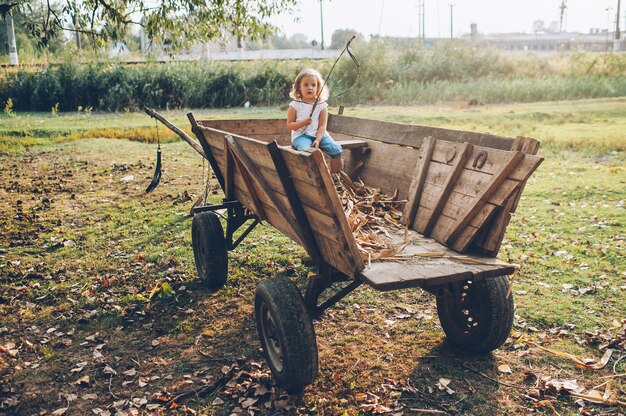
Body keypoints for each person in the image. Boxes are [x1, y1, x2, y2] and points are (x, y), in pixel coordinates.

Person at [286, 68, 342, 173]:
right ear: (299, 86)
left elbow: (322, 126)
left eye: (313, 85)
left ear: (318, 87)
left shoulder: (322, 105)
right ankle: (315, 180)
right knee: (308, 154)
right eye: (305, 85)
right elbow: (289, 126)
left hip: (319, 134)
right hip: (301, 136)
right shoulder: (295, 105)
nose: (310, 88)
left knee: (336, 150)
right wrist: (304, 123)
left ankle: (336, 178)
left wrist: (318, 140)